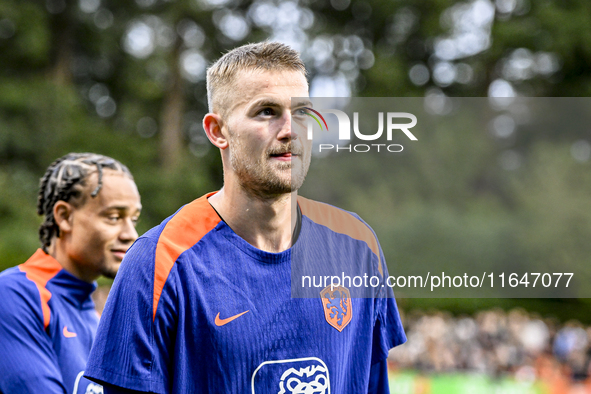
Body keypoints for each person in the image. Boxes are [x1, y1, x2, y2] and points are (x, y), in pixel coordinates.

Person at [85, 42, 406, 393]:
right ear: (217, 131)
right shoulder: (158, 262)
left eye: (301, 112)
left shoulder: (357, 245)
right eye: (267, 112)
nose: (290, 130)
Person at [0, 153, 142, 394]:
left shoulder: (99, 320)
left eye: (134, 219)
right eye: (114, 217)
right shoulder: (14, 296)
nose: (131, 234)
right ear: (64, 217)